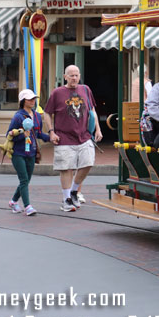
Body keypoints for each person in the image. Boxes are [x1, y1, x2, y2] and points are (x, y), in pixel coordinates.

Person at [43, 65, 103, 212]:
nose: (74, 78)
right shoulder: (57, 93)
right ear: (65, 77)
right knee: (66, 168)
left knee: (88, 163)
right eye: (71, 75)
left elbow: (92, 110)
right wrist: (51, 132)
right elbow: (46, 113)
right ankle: (66, 199)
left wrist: (98, 129)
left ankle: (74, 191)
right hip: (64, 137)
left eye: (76, 75)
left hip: (84, 136)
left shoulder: (85, 89)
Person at [5, 90, 50, 216]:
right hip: (18, 153)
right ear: (23, 101)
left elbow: (39, 133)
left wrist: (51, 137)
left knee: (26, 180)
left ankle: (13, 201)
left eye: (34, 99)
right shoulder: (18, 116)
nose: (32, 101)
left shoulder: (36, 116)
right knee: (24, 179)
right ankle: (28, 206)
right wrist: (21, 135)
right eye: (29, 99)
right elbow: (8, 135)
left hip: (32, 152)